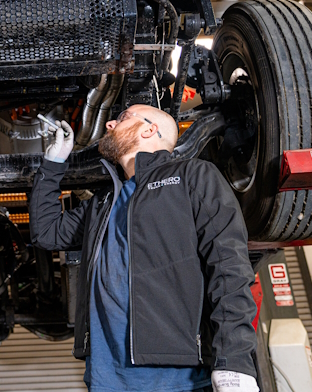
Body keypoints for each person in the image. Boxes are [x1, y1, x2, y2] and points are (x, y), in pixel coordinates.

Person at [29, 104, 259, 392]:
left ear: (150, 130)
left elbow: (229, 268)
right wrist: (53, 164)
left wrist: (234, 360)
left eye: (123, 118)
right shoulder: (103, 202)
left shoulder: (193, 176)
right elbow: (47, 233)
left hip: (178, 379)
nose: (110, 123)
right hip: (107, 380)